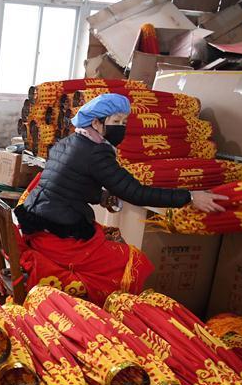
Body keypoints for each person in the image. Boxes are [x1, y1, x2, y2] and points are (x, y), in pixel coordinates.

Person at [14, 92, 228, 303]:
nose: (122, 127)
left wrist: (102, 196)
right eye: (116, 121)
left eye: (125, 121)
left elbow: (69, 184)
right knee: (133, 262)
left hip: (38, 222)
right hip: (58, 237)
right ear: (97, 122)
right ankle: (110, 310)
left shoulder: (68, 142)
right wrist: (189, 196)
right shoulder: (96, 152)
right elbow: (136, 193)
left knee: (109, 235)